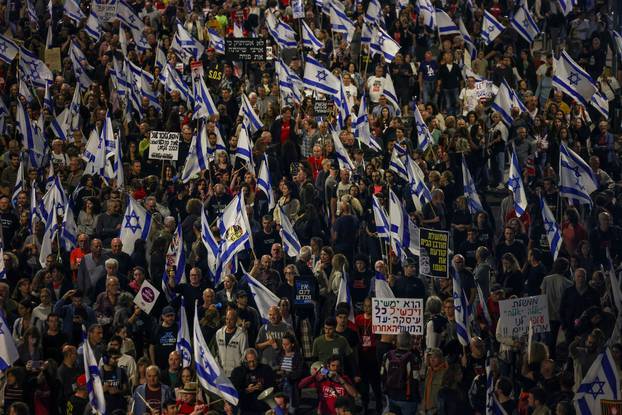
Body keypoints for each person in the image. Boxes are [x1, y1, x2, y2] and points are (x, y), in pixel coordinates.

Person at [380, 332, 421, 415]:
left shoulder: (387, 355)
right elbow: (415, 379)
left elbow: (382, 375)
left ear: (397, 342)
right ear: (410, 342)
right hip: (407, 398)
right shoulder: (413, 358)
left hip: (392, 397)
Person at [230, 348, 276, 415]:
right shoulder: (238, 372)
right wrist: (246, 390)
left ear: (257, 359)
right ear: (244, 360)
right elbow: (234, 390)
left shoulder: (265, 369)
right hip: (246, 408)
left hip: (263, 407)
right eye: (249, 362)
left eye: (254, 361)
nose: (252, 364)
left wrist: (262, 387)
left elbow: (272, 385)